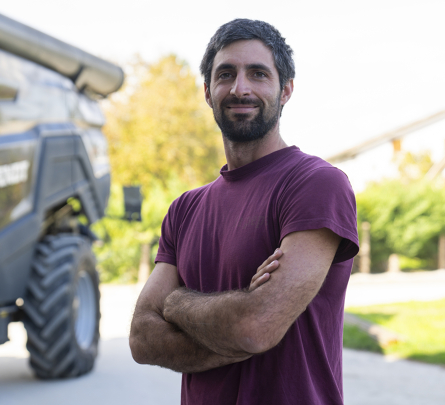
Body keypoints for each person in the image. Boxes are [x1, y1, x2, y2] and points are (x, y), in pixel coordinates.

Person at [129, 18, 359, 405]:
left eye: (258, 74)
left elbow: (255, 326)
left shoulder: (317, 185)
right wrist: (238, 331)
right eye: (225, 74)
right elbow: (141, 337)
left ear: (285, 90)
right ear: (207, 91)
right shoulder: (185, 210)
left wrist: (177, 302)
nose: (240, 88)